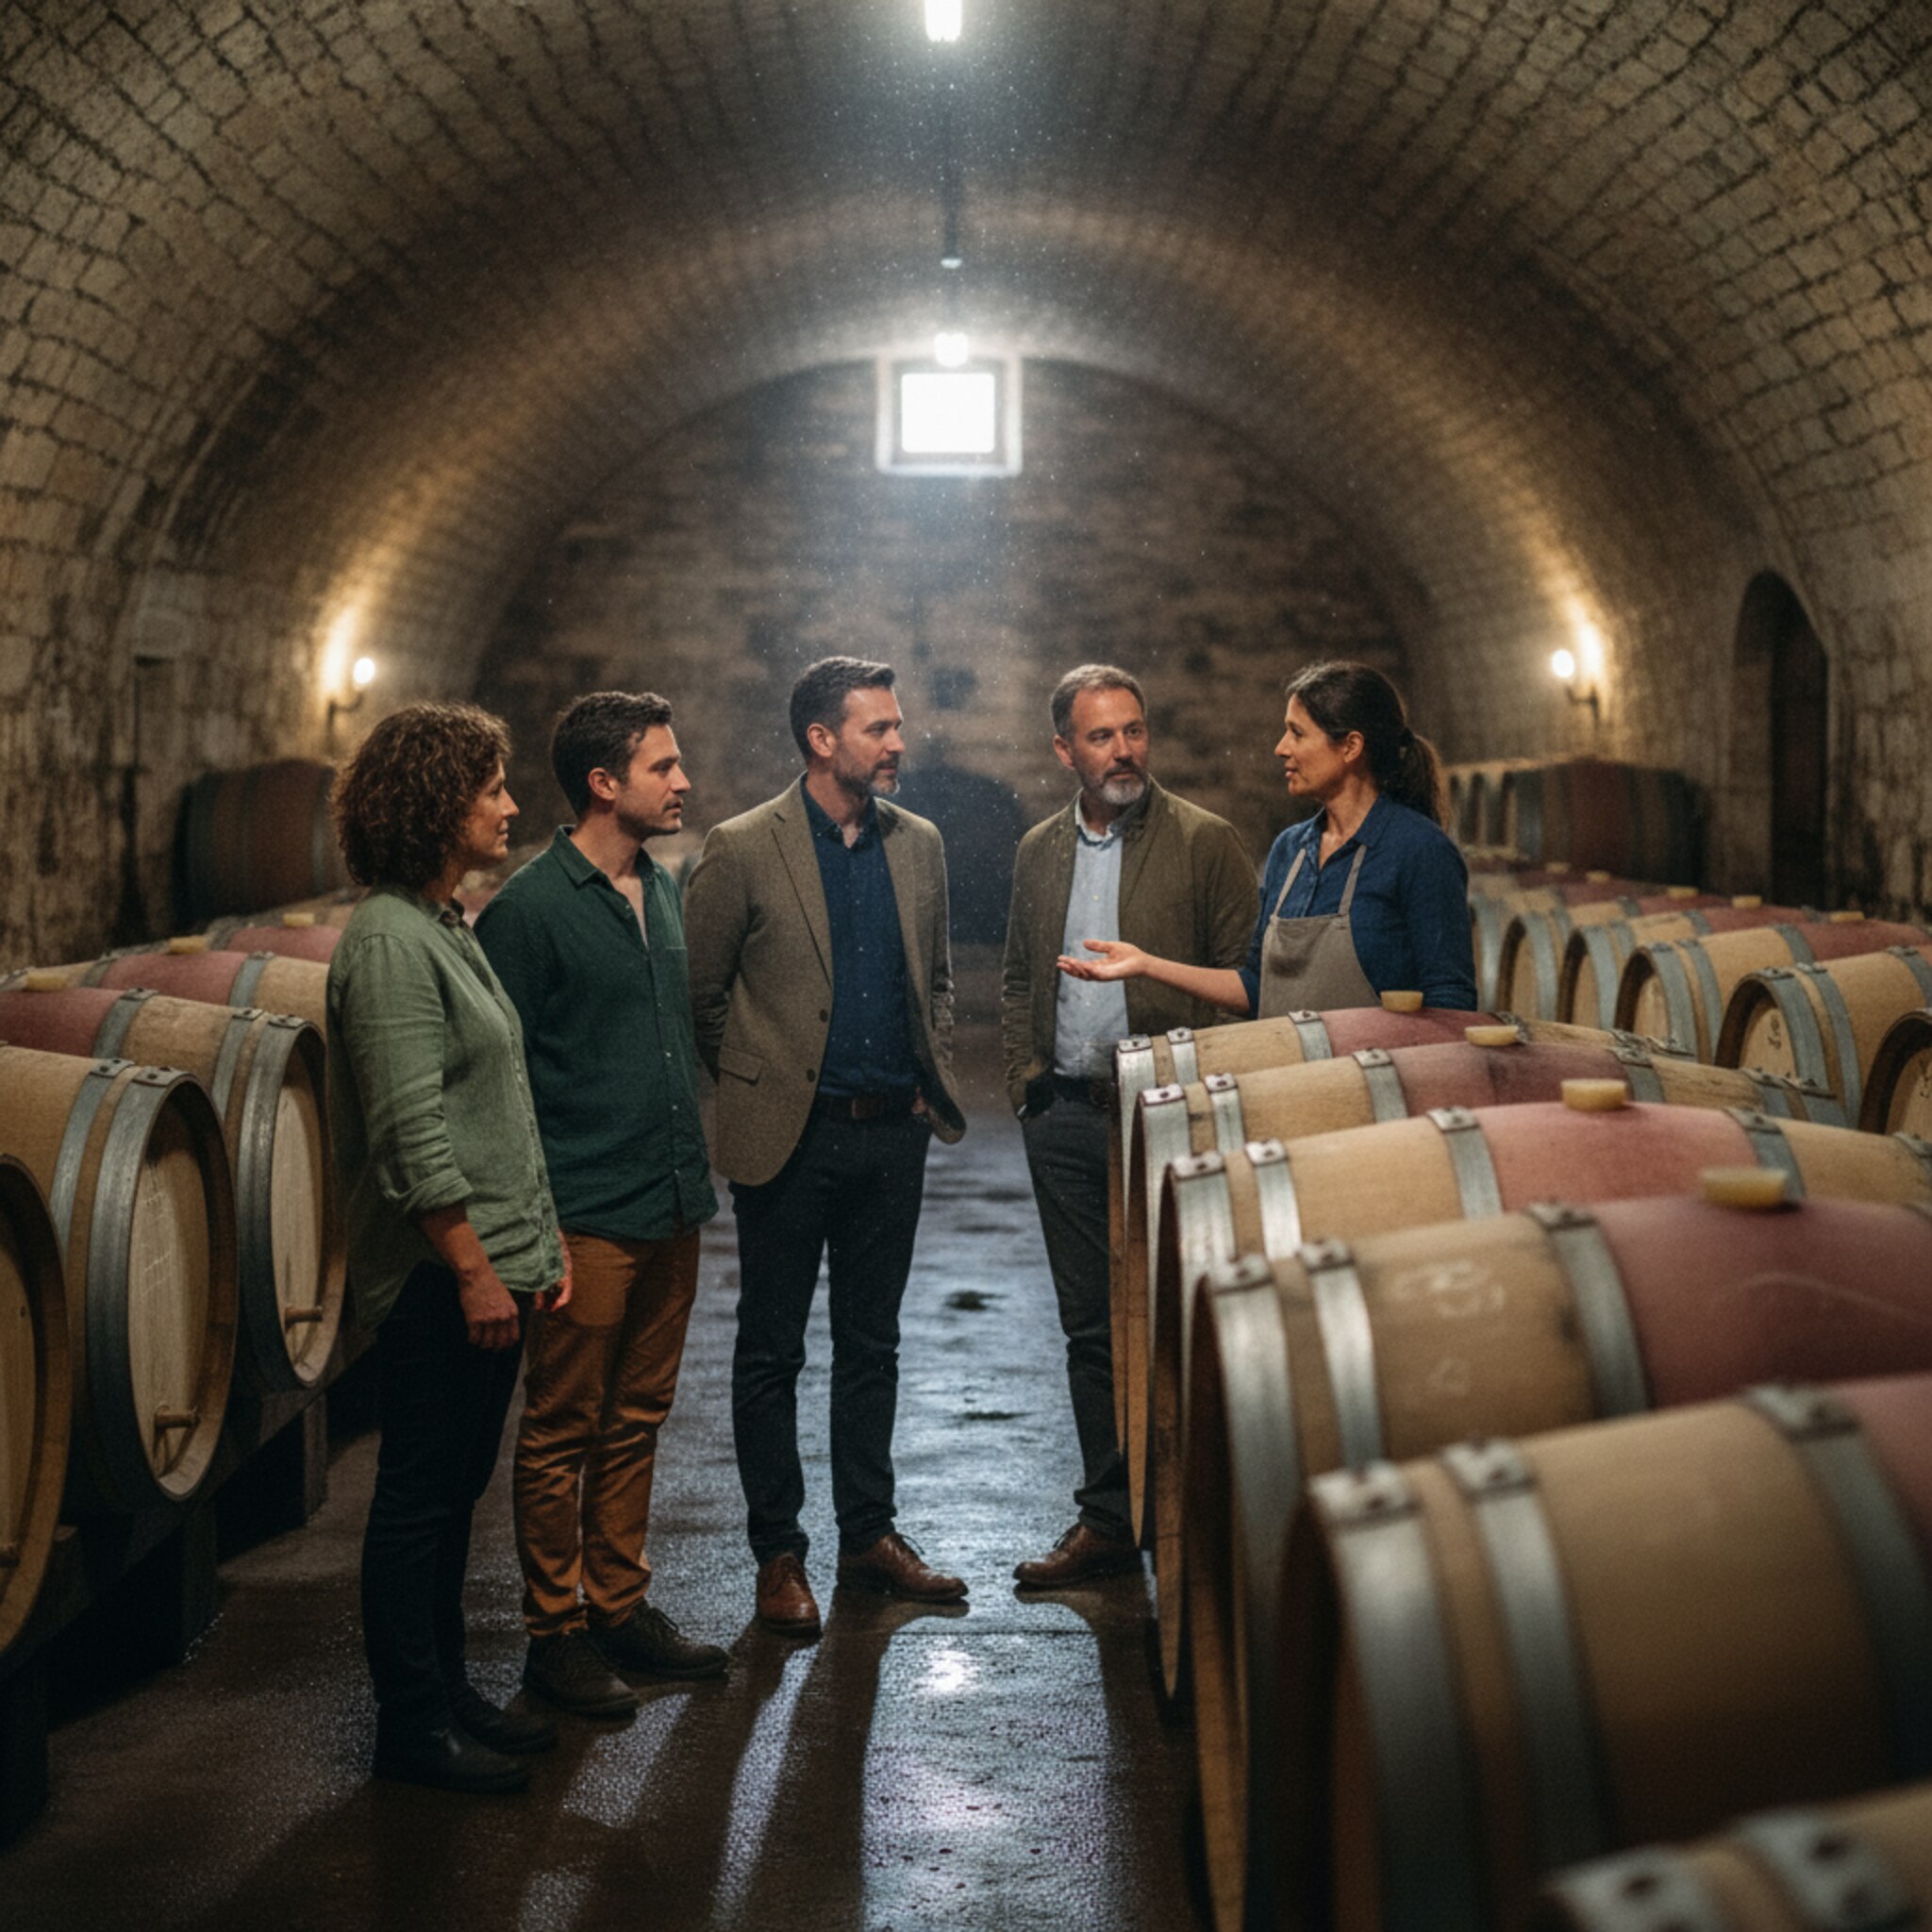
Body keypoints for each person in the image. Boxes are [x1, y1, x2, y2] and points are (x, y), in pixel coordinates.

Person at [684, 656, 969, 1638]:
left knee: (873, 1344)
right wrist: (762, 1081)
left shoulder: (918, 844)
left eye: (896, 726)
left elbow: (934, 977)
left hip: (891, 1132)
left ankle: (869, 1535)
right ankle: (777, 1553)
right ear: (820, 739)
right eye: (878, 728)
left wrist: (924, 1078)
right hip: (790, 1141)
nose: (897, 744)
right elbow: (701, 995)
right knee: (769, 1348)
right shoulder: (741, 845)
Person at [326, 702, 568, 1795]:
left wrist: (537, 1240)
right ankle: (409, 1724)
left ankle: (448, 1691)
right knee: (419, 1497)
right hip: (437, 1278)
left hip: (493, 1264)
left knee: (453, 1487)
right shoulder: (386, 941)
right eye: (490, 789)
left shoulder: (440, 921)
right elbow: (410, 1129)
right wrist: (473, 1263)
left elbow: (499, 1104)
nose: (511, 806)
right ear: (435, 805)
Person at [475, 691, 725, 1721]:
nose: (682, 782)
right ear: (602, 783)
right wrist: (531, 1231)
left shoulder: (658, 885)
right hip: (583, 1211)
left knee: (639, 1415)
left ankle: (618, 1602)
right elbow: (500, 1084)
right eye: (662, 766)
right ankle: (553, 1631)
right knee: (561, 1425)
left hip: (670, 1199)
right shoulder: (530, 909)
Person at [1001, 666, 1257, 1588]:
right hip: (1067, 1111)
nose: (1123, 751)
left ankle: (1192, 1517)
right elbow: (1021, 975)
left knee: (1182, 1317)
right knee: (1087, 1327)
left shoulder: (1203, 841)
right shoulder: (1037, 849)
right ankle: (1109, 1516)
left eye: (1134, 730)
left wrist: (1204, 1090)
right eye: (1101, 736)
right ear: (1063, 750)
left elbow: (1250, 982)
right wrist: (1025, 1083)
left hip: (1170, 1112)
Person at [1058, 659, 1476, 1017]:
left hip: (1379, 1098)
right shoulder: (1291, 850)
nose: (1280, 748)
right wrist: (1146, 964)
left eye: (1297, 733)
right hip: (1288, 1088)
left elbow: (1451, 1004)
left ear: (1350, 747)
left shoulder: (1420, 850)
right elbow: (1256, 988)